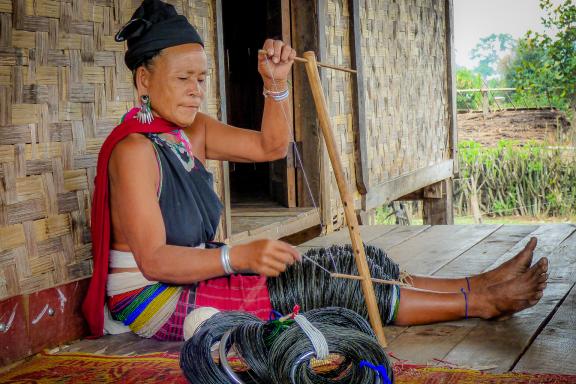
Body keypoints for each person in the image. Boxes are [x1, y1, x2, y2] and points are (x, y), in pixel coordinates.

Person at [82, 0, 549, 341]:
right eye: (183, 79)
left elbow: (271, 145)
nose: (196, 90)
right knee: (328, 288)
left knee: (348, 262)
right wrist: (237, 257)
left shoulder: (192, 130)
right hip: (154, 299)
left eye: (202, 78)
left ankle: (476, 283)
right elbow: (155, 262)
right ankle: (480, 304)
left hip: (196, 271)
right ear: (145, 80)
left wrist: (276, 85)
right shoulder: (135, 151)